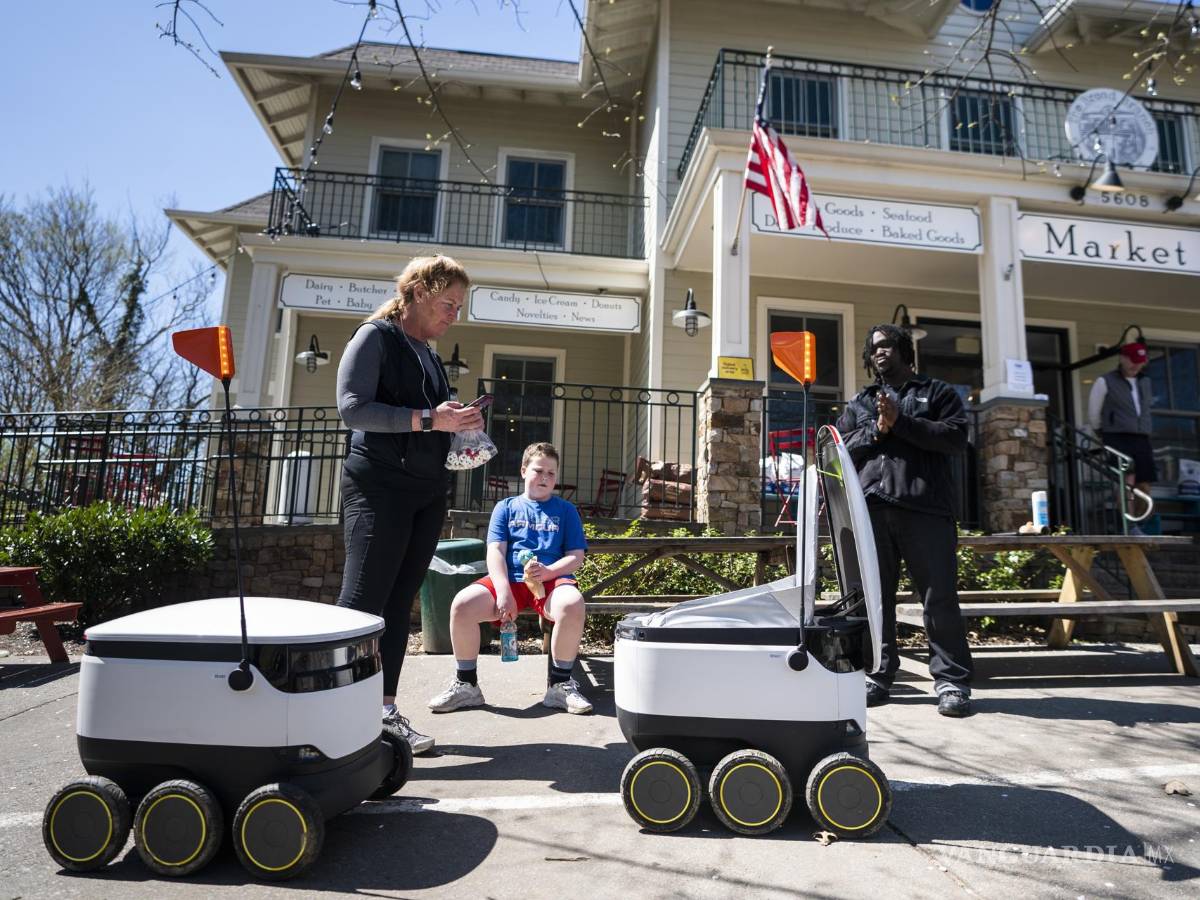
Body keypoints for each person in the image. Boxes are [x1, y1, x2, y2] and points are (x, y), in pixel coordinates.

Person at [336, 255, 484, 754]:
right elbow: (352, 408)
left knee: (399, 605)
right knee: (362, 604)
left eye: (459, 307)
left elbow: (431, 418)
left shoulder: (429, 352)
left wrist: (459, 424)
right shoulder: (375, 336)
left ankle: (383, 714)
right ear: (418, 291)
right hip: (377, 485)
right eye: (448, 304)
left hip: (426, 490)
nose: (454, 316)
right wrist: (428, 419)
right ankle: (333, 715)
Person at [835, 323, 974, 718]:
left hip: (925, 509)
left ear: (903, 350)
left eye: (888, 345)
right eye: (874, 347)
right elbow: (841, 450)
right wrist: (878, 430)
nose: (880, 352)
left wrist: (903, 423)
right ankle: (878, 676)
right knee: (875, 601)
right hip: (871, 510)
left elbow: (954, 439)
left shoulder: (938, 393)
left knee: (938, 599)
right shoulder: (860, 403)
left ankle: (951, 682)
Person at [427, 441, 592, 715]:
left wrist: (550, 571)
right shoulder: (505, 508)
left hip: (549, 582)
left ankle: (560, 687)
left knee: (573, 604)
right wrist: (503, 592)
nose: (545, 478)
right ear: (524, 469)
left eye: (552, 474)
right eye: (539, 470)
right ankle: (466, 685)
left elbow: (576, 556)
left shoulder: (565, 511)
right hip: (510, 580)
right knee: (462, 605)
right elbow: (495, 552)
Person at [1088, 341, 1155, 524]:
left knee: (1144, 482)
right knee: (1127, 480)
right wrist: (1100, 432)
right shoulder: (1106, 381)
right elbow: (1094, 411)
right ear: (1122, 358)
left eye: (1140, 361)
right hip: (1117, 436)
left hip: (1141, 437)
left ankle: (1142, 522)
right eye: (1132, 360)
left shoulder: (1145, 381)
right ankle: (1130, 524)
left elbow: (1146, 409)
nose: (1136, 364)